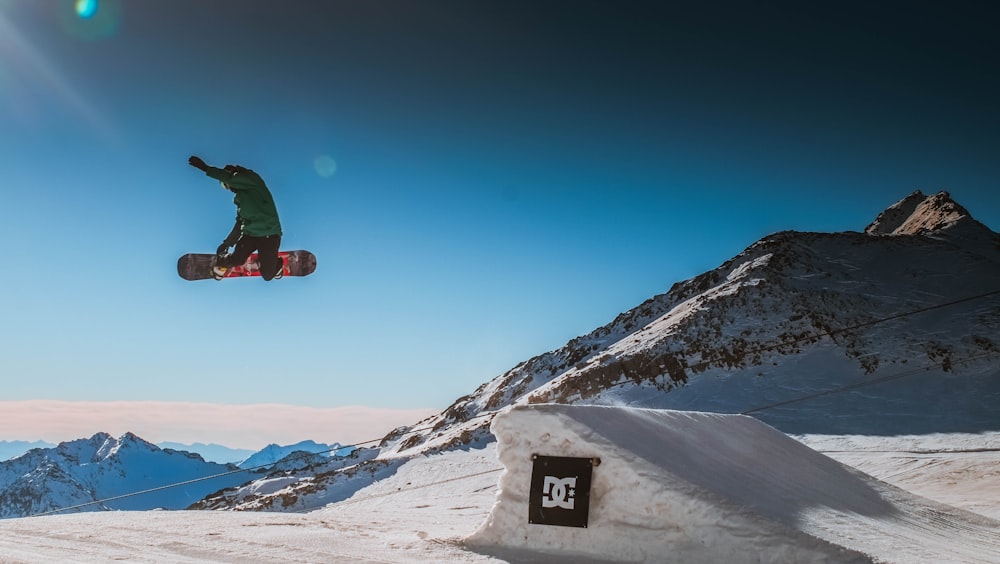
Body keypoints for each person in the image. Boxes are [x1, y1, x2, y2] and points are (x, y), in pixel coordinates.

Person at [188, 155, 284, 281]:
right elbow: (240, 224)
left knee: (268, 275)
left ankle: (274, 265)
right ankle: (221, 264)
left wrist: (206, 168)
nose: (228, 188)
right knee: (237, 260)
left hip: (269, 234)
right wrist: (227, 243)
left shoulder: (253, 181)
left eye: (225, 185)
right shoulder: (240, 200)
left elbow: (230, 178)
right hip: (251, 235)